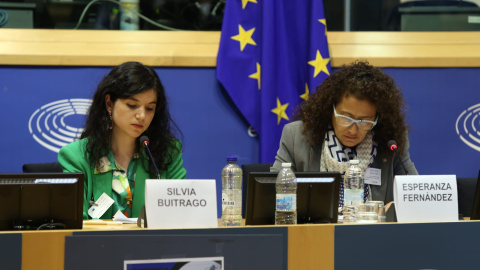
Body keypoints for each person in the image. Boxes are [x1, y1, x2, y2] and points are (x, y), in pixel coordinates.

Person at [271, 60, 417, 207]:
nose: (353, 130)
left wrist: (396, 207)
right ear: (331, 110)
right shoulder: (296, 136)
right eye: (346, 118)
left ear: (378, 118)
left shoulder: (390, 141)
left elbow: (416, 195)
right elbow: (271, 193)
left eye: (365, 121)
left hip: (372, 229)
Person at [58, 61, 186, 219]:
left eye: (149, 108)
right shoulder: (77, 156)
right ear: (109, 103)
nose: (142, 116)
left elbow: (181, 215)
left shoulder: (167, 153)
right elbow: (76, 221)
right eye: (132, 105)